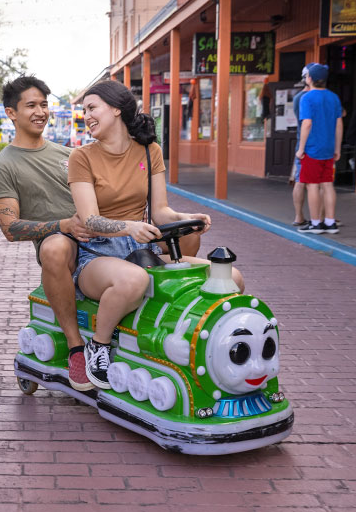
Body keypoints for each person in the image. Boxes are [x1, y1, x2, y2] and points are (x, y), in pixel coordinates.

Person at [68, 80, 243, 389]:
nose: (87, 116)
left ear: (116, 109)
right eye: (85, 111)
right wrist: (128, 226)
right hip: (97, 253)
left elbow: (161, 211)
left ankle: (204, 341)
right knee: (133, 280)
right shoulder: (82, 158)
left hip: (141, 247)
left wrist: (186, 217)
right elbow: (91, 220)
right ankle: (99, 345)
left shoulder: (150, 151)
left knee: (232, 277)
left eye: (92, 108)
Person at [0, 76, 95, 391]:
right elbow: (11, 228)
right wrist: (62, 225)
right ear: (12, 113)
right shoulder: (3, 166)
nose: (41, 112)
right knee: (54, 249)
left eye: (44, 104)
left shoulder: (69, 154)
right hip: (63, 246)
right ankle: (76, 350)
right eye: (31, 105)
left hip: (99, 235)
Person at [296, 63, 342, 235]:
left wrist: (301, 148)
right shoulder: (333, 97)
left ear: (309, 78)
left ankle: (315, 223)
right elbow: (339, 123)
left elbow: (307, 123)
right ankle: (330, 222)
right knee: (328, 184)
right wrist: (337, 147)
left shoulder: (306, 98)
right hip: (329, 149)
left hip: (313, 148)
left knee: (312, 186)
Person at [290, 64, 314, 226]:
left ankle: (300, 216)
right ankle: (321, 217)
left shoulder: (300, 97)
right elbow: (306, 123)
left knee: (301, 180)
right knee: (319, 183)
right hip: (310, 143)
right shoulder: (306, 98)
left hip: (303, 143)